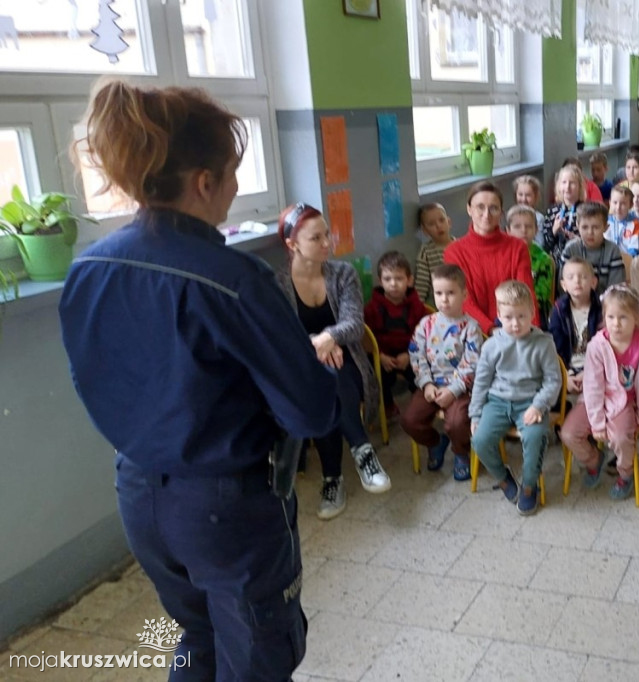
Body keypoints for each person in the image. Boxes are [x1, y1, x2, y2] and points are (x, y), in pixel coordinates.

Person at [59, 81, 338, 680]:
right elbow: (310, 411)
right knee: (257, 656)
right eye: (234, 175)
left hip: (139, 496)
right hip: (224, 509)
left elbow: (97, 380)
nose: (236, 189)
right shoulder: (233, 278)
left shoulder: (88, 268)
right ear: (205, 181)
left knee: (199, 637)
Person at [276, 204, 392, 518]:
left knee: (330, 378)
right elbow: (280, 339)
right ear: (292, 244)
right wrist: (321, 344)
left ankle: (333, 478)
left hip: (349, 364)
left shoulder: (343, 273)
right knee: (323, 377)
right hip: (301, 370)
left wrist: (330, 338)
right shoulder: (277, 284)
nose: (328, 242)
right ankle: (362, 453)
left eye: (327, 234)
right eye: (316, 238)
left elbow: (354, 323)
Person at [470, 280, 562, 515]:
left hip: (530, 402)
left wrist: (539, 406)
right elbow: (482, 381)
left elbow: (553, 380)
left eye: (521, 316)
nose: (515, 323)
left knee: (534, 436)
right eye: (508, 317)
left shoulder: (543, 343)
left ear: (532, 313)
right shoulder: (492, 345)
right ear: (499, 315)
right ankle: (503, 477)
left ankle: (530, 486)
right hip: (498, 401)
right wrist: (476, 412)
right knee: (479, 440)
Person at [561, 285, 639, 499]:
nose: (616, 323)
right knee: (569, 433)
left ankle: (625, 474)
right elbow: (593, 386)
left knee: (622, 438)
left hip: (624, 402)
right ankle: (594, 459)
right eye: (610, 316)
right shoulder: (598, 344)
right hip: (594, 399)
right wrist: (597, 423)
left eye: (623, 317)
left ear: (636, 317)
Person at [403, 264, 484, 481]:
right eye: (439, 293)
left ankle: (461, 452)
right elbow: (416, 355)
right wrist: (426, 384)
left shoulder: (471, 327)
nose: (444, 299)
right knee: (410, 419)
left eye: (450, 293)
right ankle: (436, 442)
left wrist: (454, 390)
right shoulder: (426, 325)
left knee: (457, 422)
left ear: (464, 294)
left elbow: (472, 362)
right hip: (431, 385)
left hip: (461, 388)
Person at [445, 181, 537, 333]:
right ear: (469, 209)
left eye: (493, 208)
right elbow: (464, 301)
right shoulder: (454, 252)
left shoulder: (517, 247)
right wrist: (490, 329)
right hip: (471, 331)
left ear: (501, 213)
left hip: (515, 328)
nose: (486, 215)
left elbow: (526, 295)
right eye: (480, 207)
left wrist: (530, 332)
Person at [364, 251, 429, 418]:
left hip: (410, 353)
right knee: (377, 377)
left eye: (399, 279)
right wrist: (381, 356)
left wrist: (409, 355)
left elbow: (425, 335)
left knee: (421, 373)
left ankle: (422, 404)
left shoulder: (417, 307)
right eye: (387, 279)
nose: (393, 284)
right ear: (380, 281)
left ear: (409, 280)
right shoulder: (372, 308)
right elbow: (365, 338)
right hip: (382, 356)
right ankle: (387, 404)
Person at [549, 257, 602, 394]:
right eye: (570, 277)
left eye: (583, 277)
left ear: (593, 282)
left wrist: (588, 373)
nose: (577, 281)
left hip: (595, 368)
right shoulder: (559, 311)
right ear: (563, 284)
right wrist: (566, 375)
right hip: (567, 367)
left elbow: (605, 348)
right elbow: (555, 347)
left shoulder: (602, 310)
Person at [562, 202, 626, 294]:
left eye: (596, 227)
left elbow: (616, 289)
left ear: (606, 227)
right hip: (575, 301)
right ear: (577, 225)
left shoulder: (612, 250)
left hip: (605, 304)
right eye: (584, 227)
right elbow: (564, 286)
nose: (590, 232)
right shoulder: (570, 249)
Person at [507, 204, 555, 326]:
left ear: (536, 230)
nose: (523, 230)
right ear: (508, 230)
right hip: (506, 308)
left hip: (534, 310)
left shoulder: (543, 259)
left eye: (528, 226)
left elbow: (543, 295)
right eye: (517, 226)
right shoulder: (504, 256)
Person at [543, 164, 586, 265]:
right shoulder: (552, 211)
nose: (567, 187)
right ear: (558, 186)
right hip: (557, 261)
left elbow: (594, 242)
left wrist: (579, 240)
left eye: (572, 183)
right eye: (564, 182)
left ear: (579, 186)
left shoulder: (586, 211)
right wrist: (554, 230)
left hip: (579, 258)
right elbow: (546, 246)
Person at [414, 202, 453, 308]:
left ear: (448, 222)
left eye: (441, 220)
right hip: (439, 304)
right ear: (425, 231)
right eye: (431, 224)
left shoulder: (461, 246)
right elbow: (421, 284)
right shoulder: (426, 252)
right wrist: (418, 307)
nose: (438, 226)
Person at [605, 184, 639, 256]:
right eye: (615, 202)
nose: (618, 207)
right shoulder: (605, 221)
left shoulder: (635, 224)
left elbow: (634, 249)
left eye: (623, 203)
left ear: (631, 205)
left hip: (626, 260)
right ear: (610, 203)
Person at [514, 174, 546, 245]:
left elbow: (540, 244)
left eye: (528, 195)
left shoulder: (539, 218)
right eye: (520, 194)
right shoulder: (512, 216)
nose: (523, 199)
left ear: (536, 197)